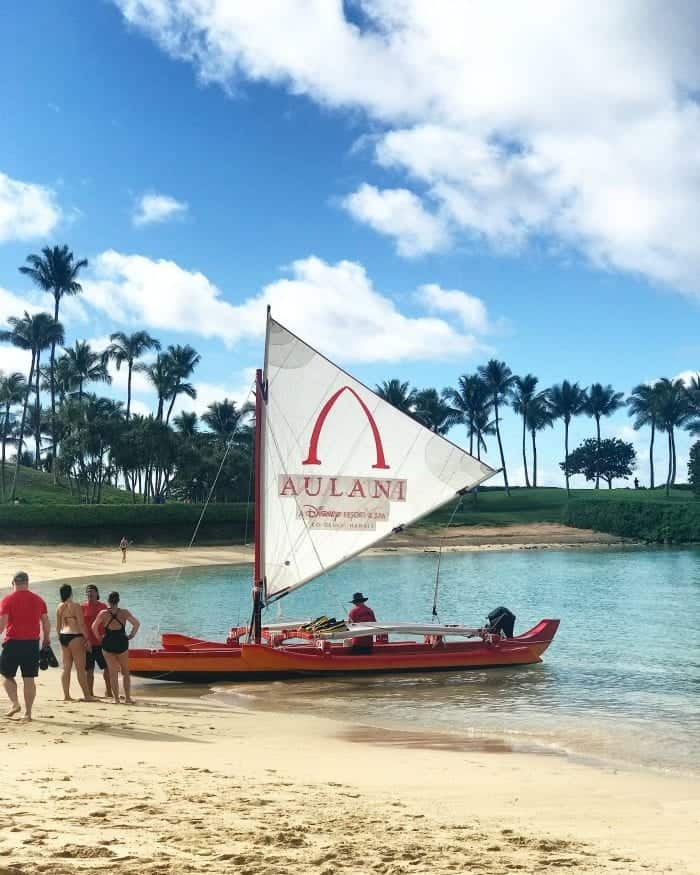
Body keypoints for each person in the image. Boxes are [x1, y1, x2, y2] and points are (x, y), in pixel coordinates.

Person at [0, 571, 50, 721]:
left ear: (13, 583)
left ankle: (15, 704)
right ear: (27, 583)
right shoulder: (39, 600)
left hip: (13, 643)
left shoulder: (7, 600)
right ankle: (28, 713)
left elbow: (2, 624)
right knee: (29, 678)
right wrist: (46, 639)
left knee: (6, 675)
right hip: (32, 644)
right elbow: (46, 622)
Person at [92, 592, 140, 705]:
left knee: (113, 673)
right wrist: (131, 635)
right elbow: (136, 624)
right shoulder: (124, 612)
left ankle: (116, 699)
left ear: (108, 601)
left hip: (108, 643)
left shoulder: (103, 613)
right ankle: (128, 698)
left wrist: (99, 638)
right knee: (125, 672)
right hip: (121, 643)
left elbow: (93, 627)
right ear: (118, 601)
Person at [55, 584, 96, 703]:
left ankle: (66, 696)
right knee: (80, 669)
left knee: (66, 668)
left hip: (63, 636)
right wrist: (87, 639)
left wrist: (60, 639)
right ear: (70, 592)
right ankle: (87, 696)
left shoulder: (59, 607)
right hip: (75, 637)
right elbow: (82, 625)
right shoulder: (76, 606)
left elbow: (58, 627)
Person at [82, 584, 112, 699]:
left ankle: (108, 691)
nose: (90, 594)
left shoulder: (103, 606)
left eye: (92, 592)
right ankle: (90, 693)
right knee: (89, 670)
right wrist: (85, 640)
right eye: (88, 592)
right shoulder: (82, 607)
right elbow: (80, 625)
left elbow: (108, 623)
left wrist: (108, 637)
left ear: (97, 593)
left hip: (101, 642)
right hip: (88, 644)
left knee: (107, 668)